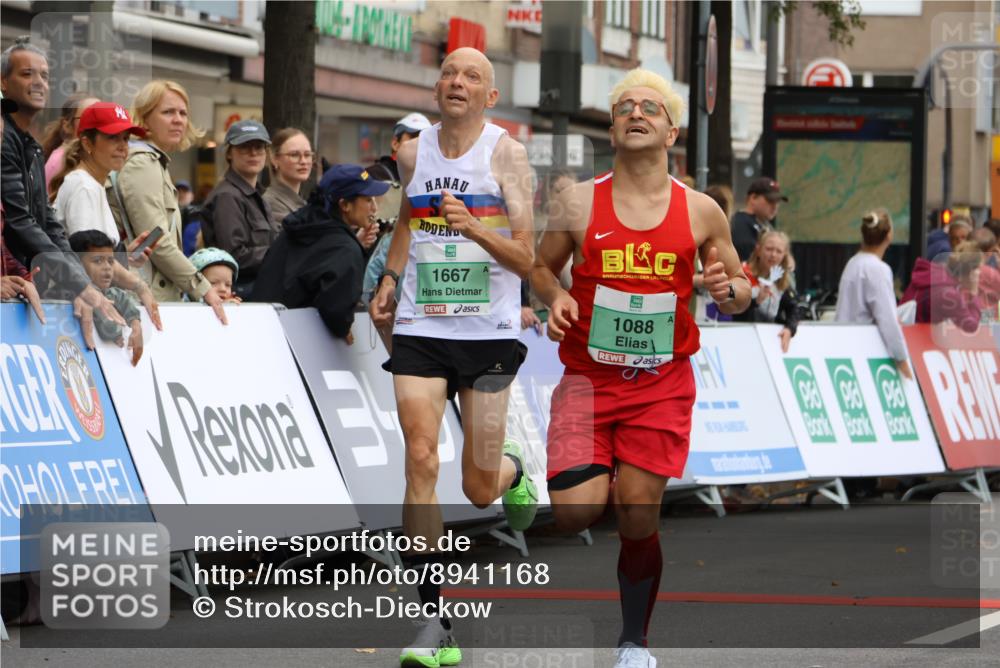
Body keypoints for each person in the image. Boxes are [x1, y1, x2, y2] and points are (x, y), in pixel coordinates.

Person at [531, 67, 750, 667]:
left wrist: (726, 291)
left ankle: (633, 643)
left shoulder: (702, 210)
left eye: (650, 107)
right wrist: (556, 299)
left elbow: (741, 289)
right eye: (625, 105)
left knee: (635, 512)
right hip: (587, 382)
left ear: (671, 131)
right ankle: (522, 479)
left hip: (660, 385)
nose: (636, 113)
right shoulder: (578, 201)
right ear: (612, 126)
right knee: (577, 510)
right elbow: (542, 269)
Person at [369, 47, 537, 668]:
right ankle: (435, 625)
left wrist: (474, 230)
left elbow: (526, 257)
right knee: (418, 456)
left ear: (491, 96)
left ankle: (514, 474)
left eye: (472, 76)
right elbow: (410, 223)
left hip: (488, 333)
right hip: (422, 324)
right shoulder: (414, 151)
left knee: (475, 483)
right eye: (448, 73)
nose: (456, 82)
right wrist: (389, 278)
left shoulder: (507, 155)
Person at [1, 38, 127, 347]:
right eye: (27, 74)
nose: (39, 82)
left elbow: (47, 222)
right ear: (3, 82)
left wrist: (80, 281)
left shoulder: (29, 145)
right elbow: (20, 222)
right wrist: (80, 284)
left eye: (44, 75)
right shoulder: (5, 139)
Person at [110, 80, 227, 324]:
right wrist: (203, 288)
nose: (178, 120)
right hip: (140, 302)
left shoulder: (153, 162)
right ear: (144, 119)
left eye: (183, 113)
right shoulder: (143, 162)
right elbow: (155, 239)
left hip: (147, 298)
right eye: (168, 112)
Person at [252, 164, 387, 339]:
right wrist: (345, 328)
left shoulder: (299, 226)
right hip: (302, 346)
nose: (374, 208)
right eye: (368, 200)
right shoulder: (344, 249)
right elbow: (337, 315)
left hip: (262, 331)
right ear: (345, 204)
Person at [834, 209, 912, 379]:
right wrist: (902, 358)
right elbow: (887, 318)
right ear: (889, 235)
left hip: (844, 344)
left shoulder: (853, 262)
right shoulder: (878, 269)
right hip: (866, 350)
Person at [202, 120, 275, 298]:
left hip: (255, 292)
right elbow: (234, 255)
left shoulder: (256, 194)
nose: (253, 153)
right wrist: (279, 253)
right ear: (229, 154)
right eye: (244, 147)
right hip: (237, 295)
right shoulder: (227, 196)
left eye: (259, 147)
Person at [68, 230, 143, 366]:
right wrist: (118, 333)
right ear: (76, 264)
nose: (107, 267)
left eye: (110, 261)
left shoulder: (109, 292)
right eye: (97, 261)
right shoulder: (69, 292)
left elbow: (124, 299)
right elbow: (108, 327)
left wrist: (136, 325)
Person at [732, 230, 799, 352]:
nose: (773, 255)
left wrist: (789, 328)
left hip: (768, 344)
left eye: (778, 251)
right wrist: (755, 301)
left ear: (784, 256)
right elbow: (730, 309)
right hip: (739, 339)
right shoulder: (742, 274)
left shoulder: (781, 281)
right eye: (769, 249)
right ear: (758, 250)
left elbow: (794, 308)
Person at [902, 240, 984, 332]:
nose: (980, 272)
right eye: (979, 268)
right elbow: (971, 326)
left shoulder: (936, 274)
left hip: (907, 332)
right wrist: (974, 292)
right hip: (916, 339)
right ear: (971, 271)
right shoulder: (948, 293)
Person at [42, 92, 99, 190]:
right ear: (67, 126)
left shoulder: (88, 156)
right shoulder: (60, 161)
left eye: (102, 119)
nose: (98, 125)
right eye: (89, 118)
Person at [262, 127, 314, 225]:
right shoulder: (270, 203)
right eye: (294, 155)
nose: (303, 161)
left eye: (307, 155)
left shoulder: (303, 203)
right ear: (274, 159)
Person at [730, 176, 787, 261]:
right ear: (753, 198)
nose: (775, 206)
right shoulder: (739, 224)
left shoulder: (764, 224)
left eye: (777, 202)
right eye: (770, 201)